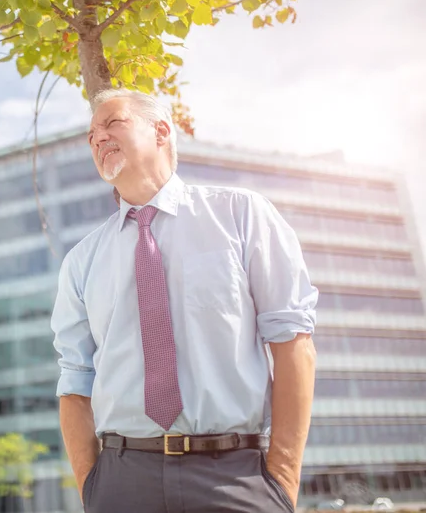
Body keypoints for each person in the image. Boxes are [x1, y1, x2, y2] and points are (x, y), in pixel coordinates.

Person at [51, 89, 318, 513]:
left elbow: (293, 343)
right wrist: (93, 487)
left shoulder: (241, 216)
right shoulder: (82, 261)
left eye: (112, 123)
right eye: (90, 135)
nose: (97, 138)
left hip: (235, 477)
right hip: (122, 481)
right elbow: (75, 380)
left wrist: (283, 476)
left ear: (161, 131)